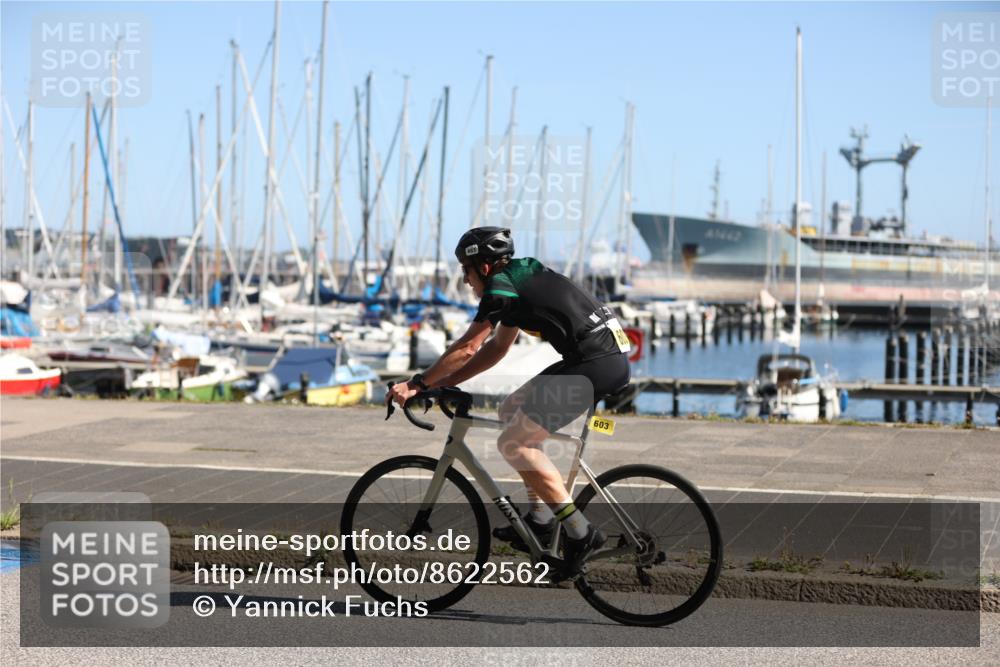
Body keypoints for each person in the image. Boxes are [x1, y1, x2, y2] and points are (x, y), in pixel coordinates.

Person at [386, 227, 632, 571]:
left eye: (465, 271)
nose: (465, 280)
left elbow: (468, 346)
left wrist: (417, 383)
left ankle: (581, 532)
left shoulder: (501, 288)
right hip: (598, 357)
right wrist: (444, 384)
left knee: (514, 444)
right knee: (511, 410)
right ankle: (541, 519)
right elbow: (496, 349)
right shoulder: (518, 278)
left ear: (483, 267)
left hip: (595, 364)